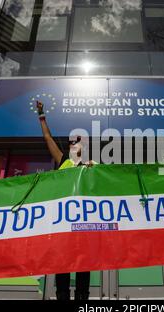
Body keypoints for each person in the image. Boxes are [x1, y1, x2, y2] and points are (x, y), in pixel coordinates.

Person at [36, 100, 95, 300]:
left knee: (83, 263)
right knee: (62, 262)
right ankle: (62, 295)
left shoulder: (93, 165)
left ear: (84, 146)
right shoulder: (63, 161)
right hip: (63, 222)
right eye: (71, 142)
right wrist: (41, 114)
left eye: (76, 141)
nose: (72, 144)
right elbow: (47, 137)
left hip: (84, 223)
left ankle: (82, 297)